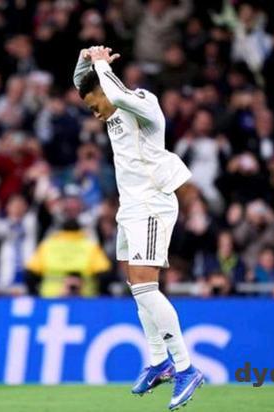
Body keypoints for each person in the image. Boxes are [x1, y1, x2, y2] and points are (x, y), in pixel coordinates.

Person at [73, 45, 202, 410]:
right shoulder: (110, 107)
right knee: (137, 287)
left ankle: (185, 367)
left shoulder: (143, 103)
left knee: (146, 288)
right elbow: (81, 81)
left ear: (105, 88)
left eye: (94, 104)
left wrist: (101, 66)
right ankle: (159, 360)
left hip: (152, 204)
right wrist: (86, 58)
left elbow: (115, 94)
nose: (95, 113)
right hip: (130, 208)